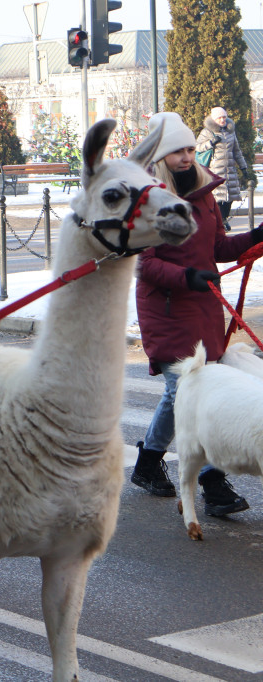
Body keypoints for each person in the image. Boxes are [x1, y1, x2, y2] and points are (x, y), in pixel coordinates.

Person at [133, 111, 263, 516]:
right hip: (167, 309)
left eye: (190, 148)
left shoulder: (205, 192)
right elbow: (144, 262)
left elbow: (218, 249)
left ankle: (149, 462)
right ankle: (212, 483)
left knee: (183, 393)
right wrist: (186, 276)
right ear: (161, 156)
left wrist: (256, 237)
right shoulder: (148, 198)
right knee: (187, 389)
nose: (187, 157)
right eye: (177, 151)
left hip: (203, 307)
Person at [196, 107, 250, 231]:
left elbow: (237, 151)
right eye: (219, 117)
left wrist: (243, 167)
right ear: (214, 119)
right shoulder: (207, 132)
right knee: (218, 199)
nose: (222, 120)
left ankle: (224, 218)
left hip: (230, 170)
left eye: (224, 117)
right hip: (215, 171)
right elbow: (197, 147)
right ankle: (221, 222)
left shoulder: (231, 132)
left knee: (230, 198)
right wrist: (211, 143)